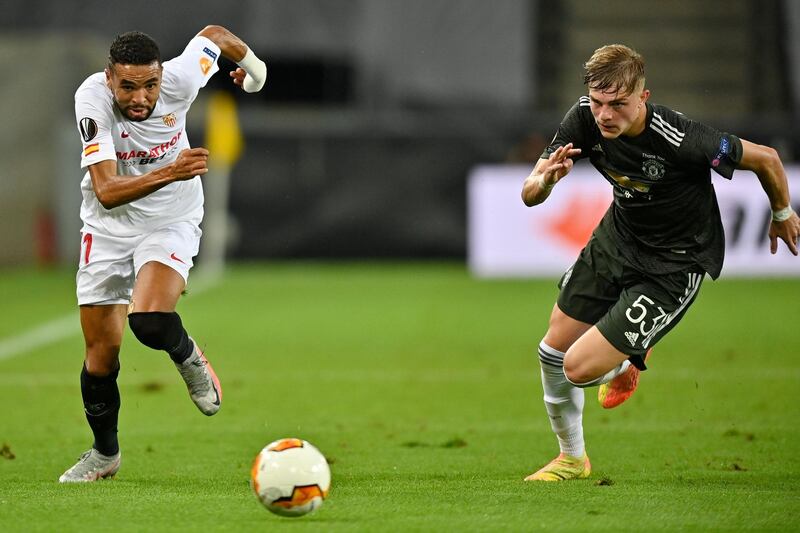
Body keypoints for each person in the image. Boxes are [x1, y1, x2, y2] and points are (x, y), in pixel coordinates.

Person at [520, 44, 799, 481]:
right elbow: (529, 193)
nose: (605, 115)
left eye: (618, 104)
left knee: (576, 367)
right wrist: (545, 181)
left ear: (642, 97)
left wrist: (782, 213)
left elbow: (767, 158)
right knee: (551, 351)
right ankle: (572, 459)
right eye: (597, 102)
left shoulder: (681, 137)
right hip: (617, 240)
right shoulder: (582, 118)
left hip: (674, 263)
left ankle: (630, 360)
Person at [59, 26, 267, 483]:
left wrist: (255, 71)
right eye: (128, 86)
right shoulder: (91, 100)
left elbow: (215, 35)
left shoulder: (181, 79)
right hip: (107, 226)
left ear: (160, 77)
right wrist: (173, 170)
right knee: (100, 356)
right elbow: (108, 191)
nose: (141, 97)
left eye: (149, 85)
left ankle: (190, 359)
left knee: (150, 320)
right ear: (109, 78)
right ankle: (104, 454)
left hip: (171, 218)